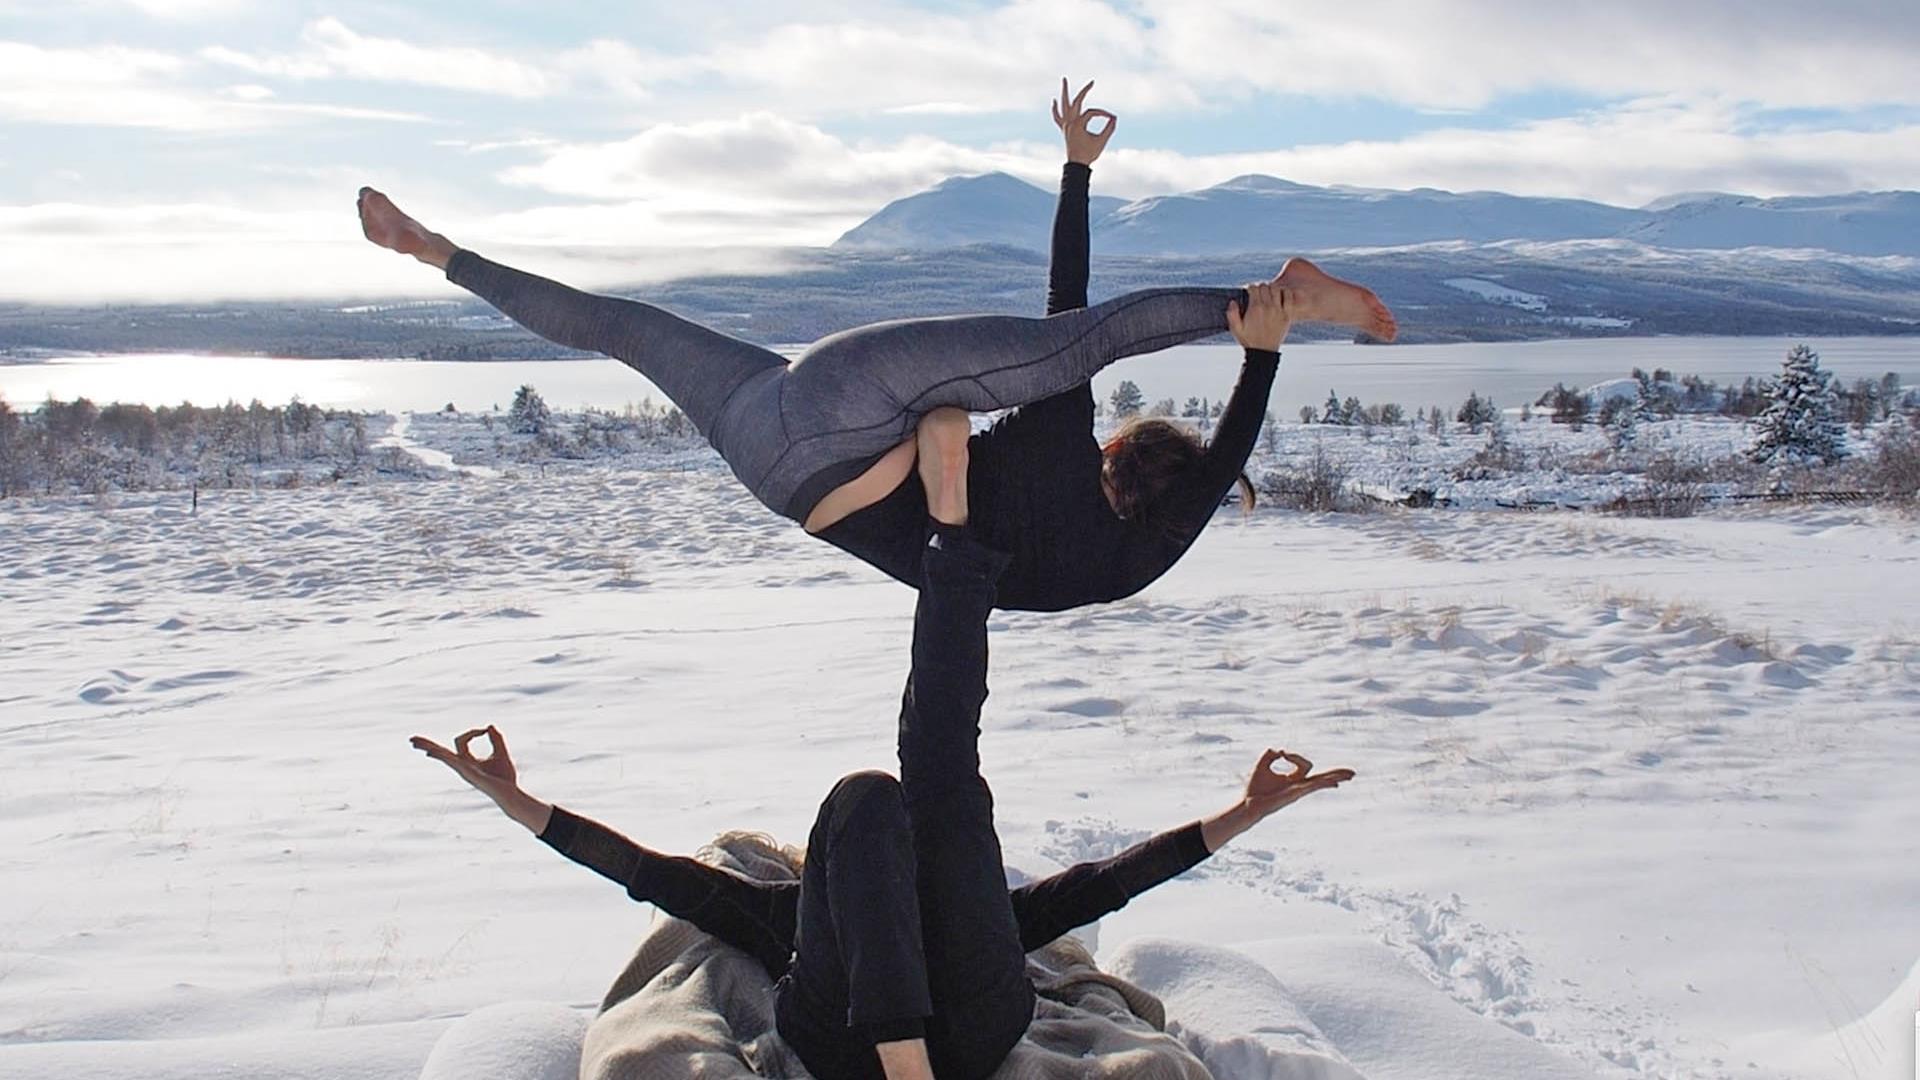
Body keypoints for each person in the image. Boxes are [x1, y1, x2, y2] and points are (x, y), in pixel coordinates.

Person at [412, 412, 1357, 1080]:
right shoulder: (804, 914)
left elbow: (1105, 882)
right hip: (906, 1039)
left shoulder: (803, 913)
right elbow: (657, 876)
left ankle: (956, 538)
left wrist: (1243, 814)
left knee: (905, 787)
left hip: (901, 1036)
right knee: (900, 786)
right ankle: (954, 541)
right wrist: (516, 802)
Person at [358, 80, 1396, 612]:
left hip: (850, 410)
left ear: (1126, 464)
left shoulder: (1079, 493)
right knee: (629, 334)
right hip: (778, 466)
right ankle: (435, 249)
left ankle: (1271, 299)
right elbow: (1205, 493)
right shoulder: (1107, 573)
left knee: (1080, 341)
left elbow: (1073, 320)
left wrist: (1258, 348)